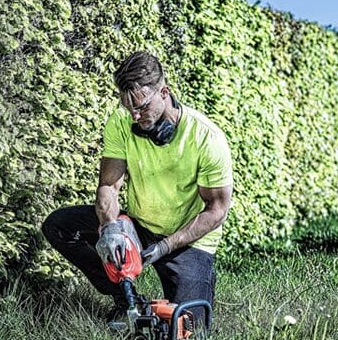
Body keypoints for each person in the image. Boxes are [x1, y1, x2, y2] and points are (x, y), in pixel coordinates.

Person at [42, 51, 233, 324]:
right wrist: (110, 228)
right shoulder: (121, 122)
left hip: (187, 240)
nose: (134, 115)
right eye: (127, 107)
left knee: (188, 329)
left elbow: (217, 210)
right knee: (59, 225)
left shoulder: (206, 138)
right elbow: (109, 185)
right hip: (138, 226)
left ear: (164, 92)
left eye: (141, 107)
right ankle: (126, 297)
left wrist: (165, 246)